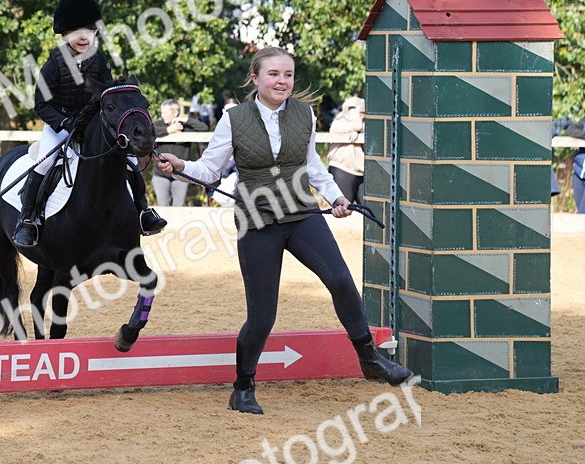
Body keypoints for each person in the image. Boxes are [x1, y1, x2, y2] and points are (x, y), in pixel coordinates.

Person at [156, 47, 412, 414]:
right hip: (258, 221)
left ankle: (370, 359)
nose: (282, 81)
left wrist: (338, 197)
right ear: (255, 78)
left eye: (288, 74)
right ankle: (243, 387)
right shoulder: (234, 118)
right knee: (263, 316)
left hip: (301, 214)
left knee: (341, 281)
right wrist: (182, 164)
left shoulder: (304, 114)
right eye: (274, 74)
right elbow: (211, 171)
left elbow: (313, 165)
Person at [14, 0, 166, 248]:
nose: (83, 36)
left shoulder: (100, 61)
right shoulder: (53, 64)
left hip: (92, 126)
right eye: (75, 31)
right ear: (63, 34)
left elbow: (109, 100)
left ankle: (143, 212)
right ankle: (28, 219)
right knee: (46, 160)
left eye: (89, 30)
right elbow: (41, 104)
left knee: (127, 158)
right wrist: (65, 123)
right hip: (59, 124)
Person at [152, 100, 208, 207]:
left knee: (179, 205)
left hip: (180, 173)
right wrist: (169, 130)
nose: (162, 115)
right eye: (162, 112)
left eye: (165, 112)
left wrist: (186, 120)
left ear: (175, 113)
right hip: (160, 174)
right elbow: (149, 131)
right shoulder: (158, 124)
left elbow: (204, 128)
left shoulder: (185, 127)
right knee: (162, 205)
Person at [327, 96, 365, 203]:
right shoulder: (338, 123)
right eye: (361, 111)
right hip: (342, 169)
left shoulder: (364, 126)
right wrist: (354, 111)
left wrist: (357, 133)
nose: (362, 115)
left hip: (360, 171)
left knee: (369, 210)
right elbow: (356, 125)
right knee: (343, 209)